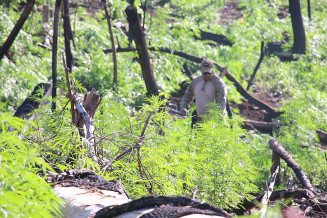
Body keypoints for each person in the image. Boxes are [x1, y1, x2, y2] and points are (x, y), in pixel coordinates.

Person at [180, 58, 227, 124]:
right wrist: (183, 107)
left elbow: (221, 104)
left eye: (209, 72)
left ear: (212, 69)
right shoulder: (196, 82)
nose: (207, 75)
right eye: (205, 73)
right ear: (200, 69)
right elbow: (187, 96)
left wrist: (218, 120)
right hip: (199, 121)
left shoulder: (218, 84)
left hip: (213, 123)